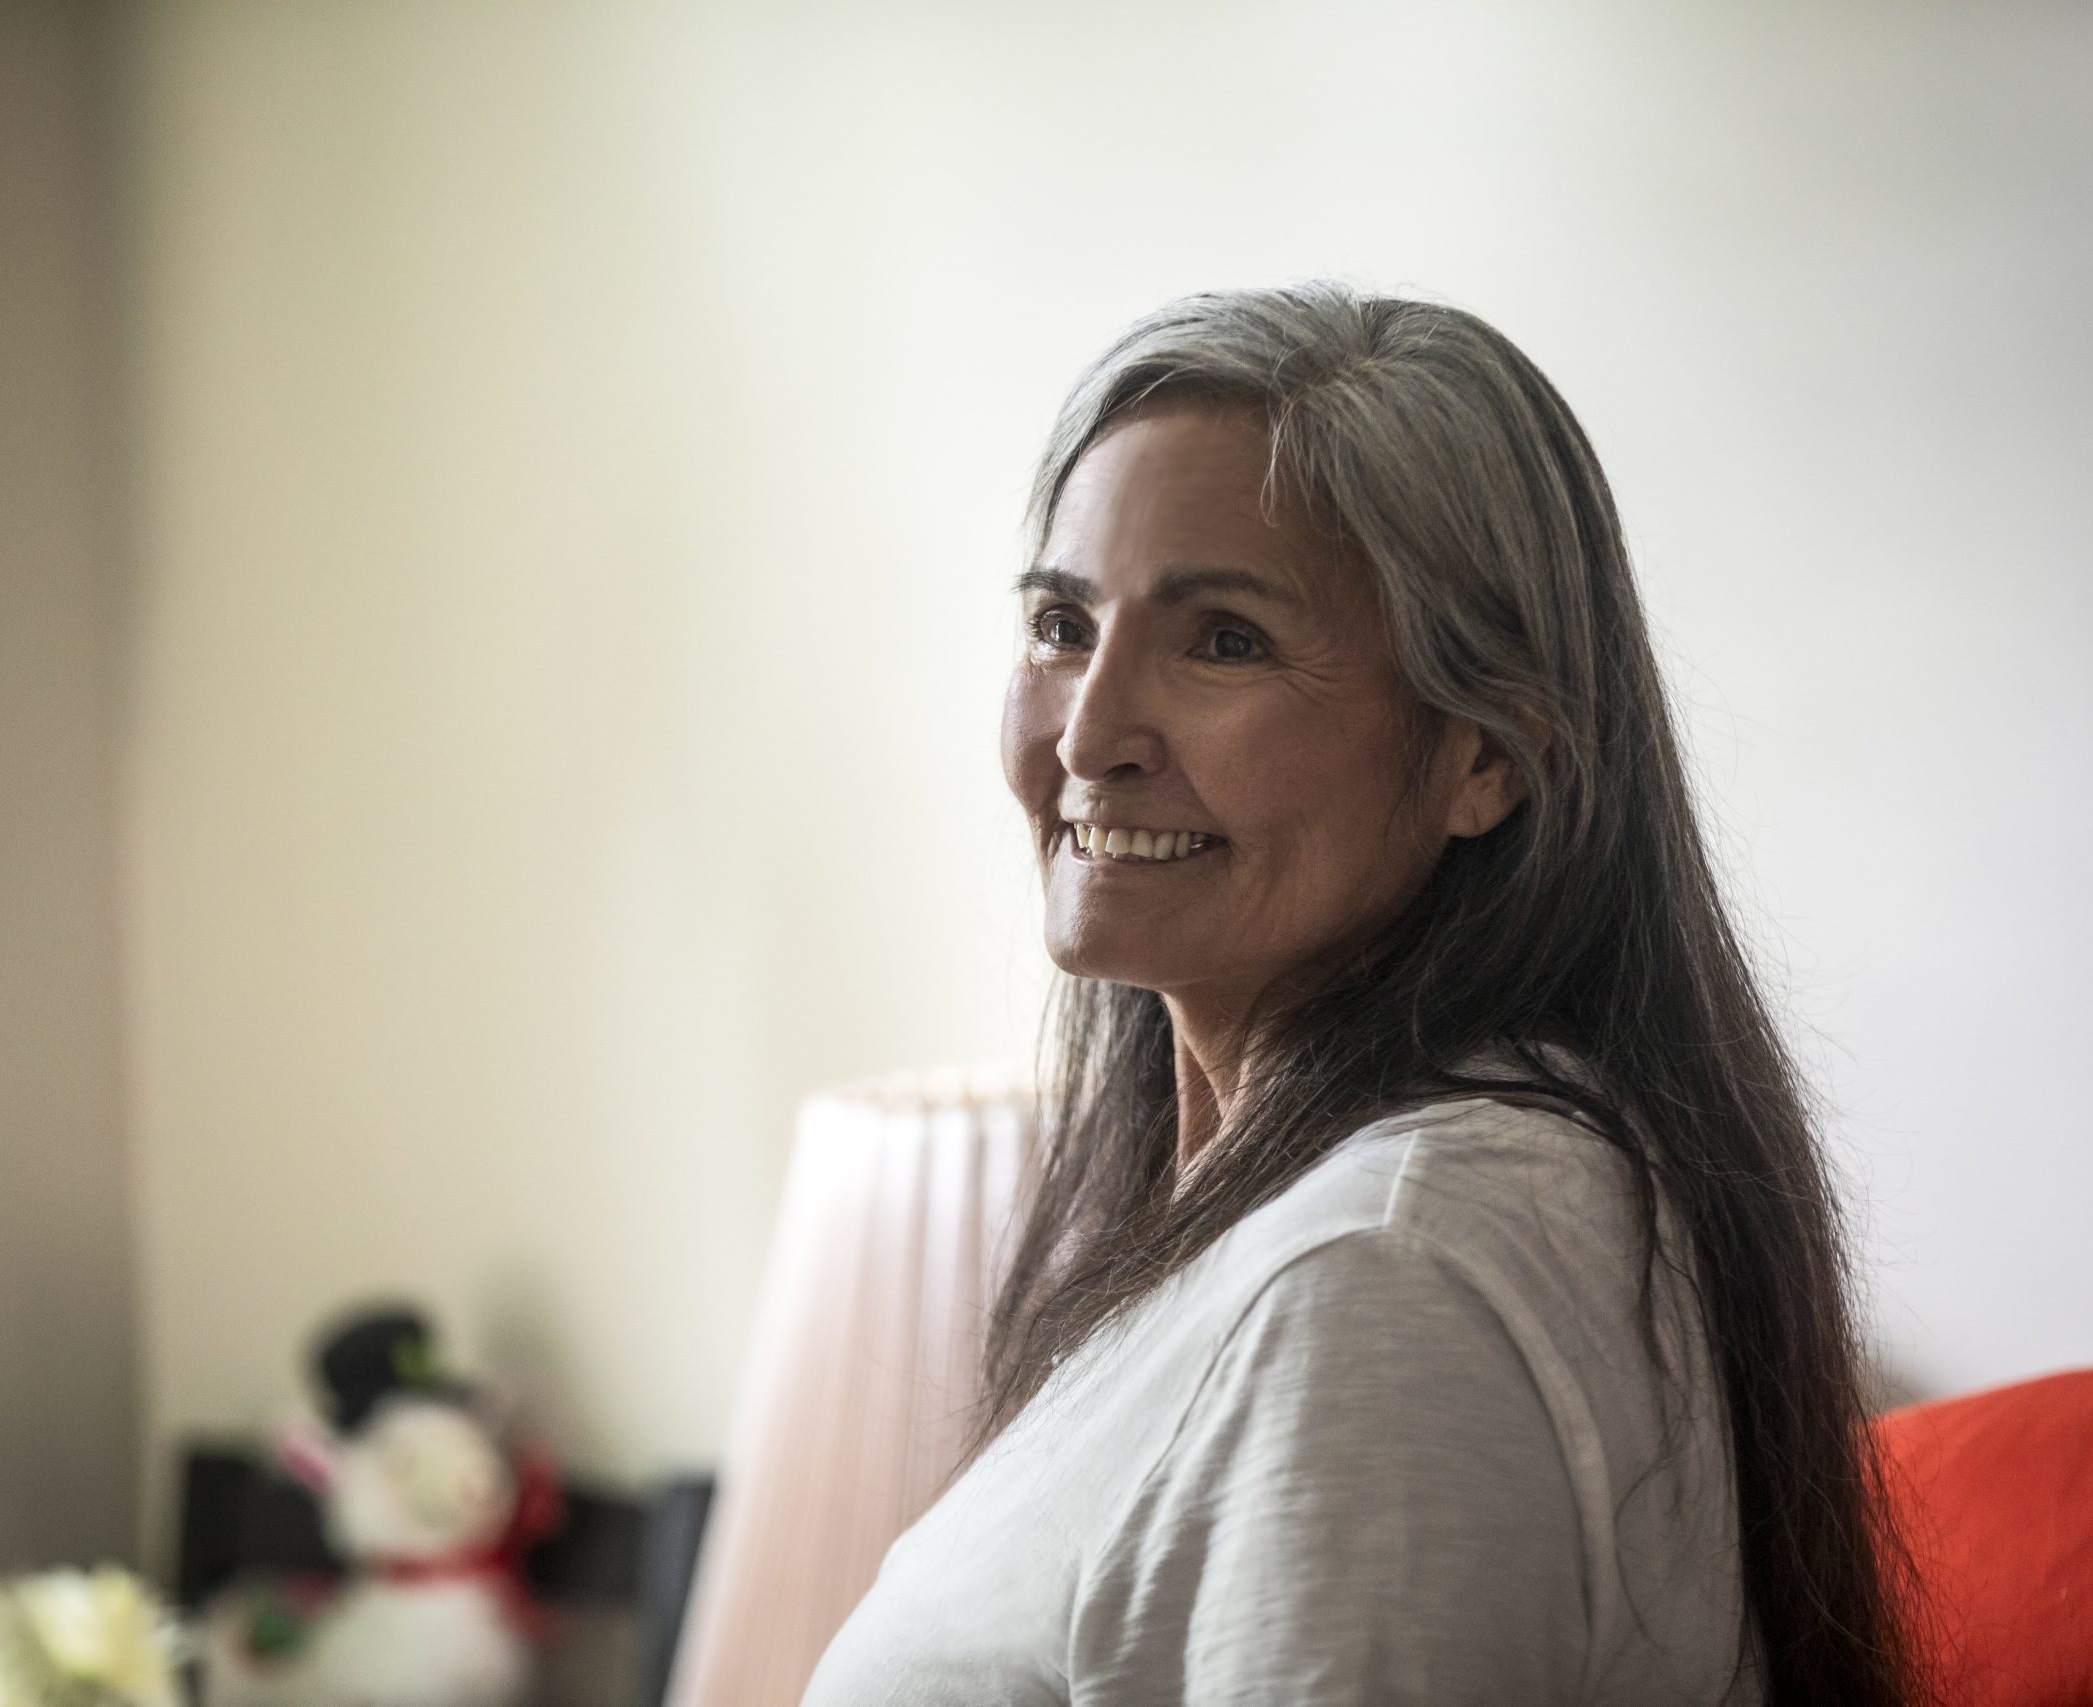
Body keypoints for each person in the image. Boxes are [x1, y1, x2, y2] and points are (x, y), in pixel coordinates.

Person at [801, 284, 1916, 1706]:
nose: (1089, 732)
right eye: (1062, 624)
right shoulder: (1282, 1227)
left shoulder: (1388, 1276)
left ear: (1486, 757)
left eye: (1225, 641)